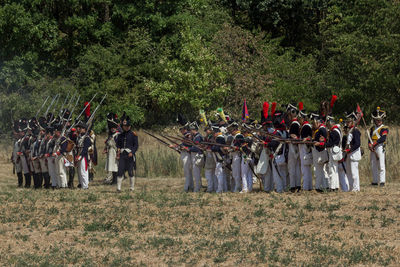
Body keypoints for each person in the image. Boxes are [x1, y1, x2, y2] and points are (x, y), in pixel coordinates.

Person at [116, 115, 139, 192]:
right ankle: (118, 188)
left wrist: (132, 152)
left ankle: (132, 187)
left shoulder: (133, 134)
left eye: (128, 126)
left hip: (130, 155)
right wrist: (118, 151)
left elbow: (136, 145)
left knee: (130, 171)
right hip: (122, 154)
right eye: (125, 126)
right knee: (120, 171)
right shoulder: (120, 135)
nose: (126, 127)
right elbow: (118, 144)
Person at [369, 107, 388, 186]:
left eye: (379, 120)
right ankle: (375, 181)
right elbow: (369, 138)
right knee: (373, 164)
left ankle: (382, 181)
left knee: (381, 164)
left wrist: (374, 143)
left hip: (380, 146)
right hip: (373, 147)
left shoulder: (384, 128)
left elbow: (383, 138)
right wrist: (369, 144)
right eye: (377, 120)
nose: (378, 121)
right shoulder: (372, 128)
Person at [311, 113, 329, 192]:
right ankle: (322, 186)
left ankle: (321, 187)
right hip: (319, 151)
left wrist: (318, 143)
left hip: (320, 152)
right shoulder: (321, 129)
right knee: (320, 170)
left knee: (319, 170)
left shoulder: (322, 129)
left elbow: (323, 141)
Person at [344, 112, 362, 192]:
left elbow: (357, 143)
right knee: (348, 172)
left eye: (349, 122)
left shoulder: (355, 131)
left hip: (354, 153)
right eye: (347, 122)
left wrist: (350, 150)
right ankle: (351, 187)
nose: (347, 123)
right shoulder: (350, 130)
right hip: (349, 154)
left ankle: (356, 188)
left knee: (354, 173)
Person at [287, 104, 301, 192]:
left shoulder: (294, 124)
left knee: (292, 167)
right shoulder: (297, 123)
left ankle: (293, 186)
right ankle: (297, 185)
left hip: (293, 146)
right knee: (297, 168)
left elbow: (294, 137)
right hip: (296, 147)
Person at [325, 116, 341, 191]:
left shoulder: (334, 132)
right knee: (335, 169)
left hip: (333, 150)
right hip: (336, 150)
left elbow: (330, 143)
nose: (328, 126)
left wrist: (323, 144)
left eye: (328, 124)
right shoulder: (338, 130)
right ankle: (336, 186)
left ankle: (332, 186)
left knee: (332, 169)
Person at [298, 109, 313, 191]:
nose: (299, 120)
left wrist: (305, 139)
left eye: (300, 118)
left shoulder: (306, 126)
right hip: (304, 148)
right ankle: (308, 186)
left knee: (305, 169)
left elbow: (309, 137)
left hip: (304, 149)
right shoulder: (306, 126)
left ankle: (306, 187)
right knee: (306, 169)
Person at [76, 122, 93, 190]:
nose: (80, 129)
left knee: (84, 171)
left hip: (84, 156)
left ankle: (85, 186)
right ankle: (82, 184)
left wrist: (81, 155)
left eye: (82, 128)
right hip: (79, 155)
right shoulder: (80, 137)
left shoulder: (86, 138)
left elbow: (85, 148)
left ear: (85, 130)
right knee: (80, 171)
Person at [104, 112, 120, 185]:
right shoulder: (111, 135)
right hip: (110, 151)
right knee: (111, 166)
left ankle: (115, 181)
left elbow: (119, 145)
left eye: (114, 127)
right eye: (112, 128)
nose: (113, 129)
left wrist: (118, 153)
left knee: (115, 166)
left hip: (115, 151)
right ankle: (113, 180)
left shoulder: (117, 135)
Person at [189, 122, 204, 192]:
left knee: (196, 172)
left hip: (197, 155)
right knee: (196, 172)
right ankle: (199, 186)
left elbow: (196, 148)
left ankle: (197, 188)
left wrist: (188, 149)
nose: (190, 131)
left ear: (193, 130)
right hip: (195, 155)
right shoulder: (195, 137)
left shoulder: (198, 137)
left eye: (191, 130)